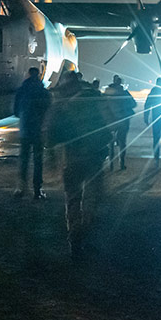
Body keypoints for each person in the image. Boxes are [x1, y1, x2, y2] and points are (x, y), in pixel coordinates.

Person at [46, 69, 112, 256]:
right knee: (93, 197)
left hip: (71, 157)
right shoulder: (95, 99)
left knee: (73, 198)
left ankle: (75, 234)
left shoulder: (60, 104)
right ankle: (85, 229)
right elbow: (112, 122)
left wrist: (51, 154)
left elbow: (49, 133)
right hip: (94, 156)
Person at [13, 66, 52, 199]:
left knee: (23, 160)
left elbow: (16, 111)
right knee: (38, 160)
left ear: (28, 74)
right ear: (39, 75)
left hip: (25, 130)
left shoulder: (21, 91)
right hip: (38, 131)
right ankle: (37, 189)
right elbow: (49, 111)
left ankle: (21, 188)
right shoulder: (44, 92)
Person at [103, 74, 137, 171]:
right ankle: (121, 163)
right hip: (123, 120)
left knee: (110, 143)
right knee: (122, 142)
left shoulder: (107, 92)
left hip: (110, 120)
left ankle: (111, 165)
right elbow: (133, 104)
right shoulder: (124, 92)